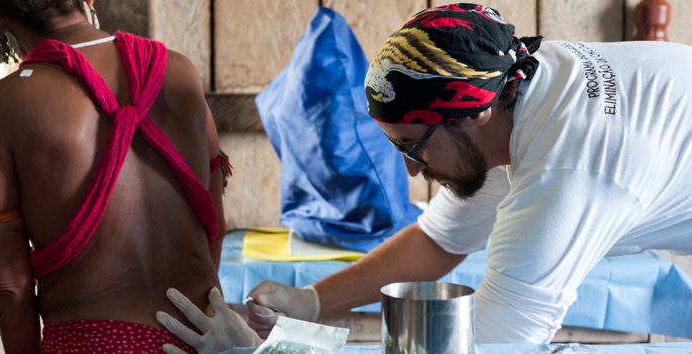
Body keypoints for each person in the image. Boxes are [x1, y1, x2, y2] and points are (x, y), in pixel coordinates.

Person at [161, 3, 692, 347]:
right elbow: (440, 240)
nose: (412, 170)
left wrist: (275, 351)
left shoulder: (566, 170)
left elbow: (490, 346)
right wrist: (312, 302)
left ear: (474, 113)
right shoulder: (518, 86)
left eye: (413, 146)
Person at [0, 0, 244, 352]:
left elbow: (12, 287)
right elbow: (213, 227)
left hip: (93, 342)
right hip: (206, 335)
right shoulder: (179, 70)